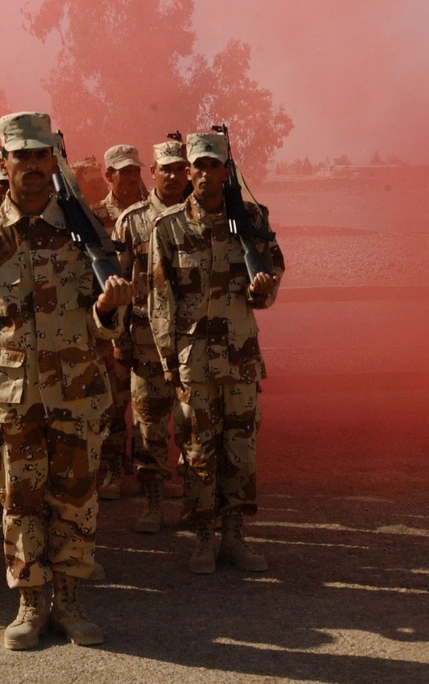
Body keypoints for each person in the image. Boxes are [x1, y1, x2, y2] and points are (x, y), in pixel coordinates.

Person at [0, 111, 133, 650]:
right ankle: (30, 603)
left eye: (40, 155)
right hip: (11, 395)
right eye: (21, 156)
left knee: (76, 500)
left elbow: (107, 324)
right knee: (19, 500)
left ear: (52, 161)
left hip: (77, 388)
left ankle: (70, 600)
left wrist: (109, 310)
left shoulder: (86, 231)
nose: (31, 165)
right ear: (3, 162)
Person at [147, 131, 283, 574]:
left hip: (240, 356)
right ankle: (204, 537)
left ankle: (234, 536)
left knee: (240, 449)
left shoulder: (252, 217)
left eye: (213, 165)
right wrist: (168, 361)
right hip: (194, 361)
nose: (205, 174)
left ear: (227, 171)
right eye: (198, 166)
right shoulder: (168, 227)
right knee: (198, 450)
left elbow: (272, 276)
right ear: (189, 171)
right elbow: (160, 300)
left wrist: (262, 291)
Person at [113, 139, 189, 532]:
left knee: (194, 425)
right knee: (148, 426)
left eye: (180, 169)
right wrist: (120, 340)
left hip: (191, 340)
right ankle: (153, 501)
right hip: (145, 341)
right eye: (166, 169)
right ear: (153, 173)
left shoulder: (200, 218)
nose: (173, 176)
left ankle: (195, 501)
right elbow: (117, 283)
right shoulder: (132, 221)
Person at [90, 145, 147, 500]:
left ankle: (147, 472)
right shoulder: (93, 217)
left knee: (148, 403)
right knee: (112, 403)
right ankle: (112, 470)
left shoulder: (151, 214)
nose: (130, 178)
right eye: (123, 172)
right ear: (108, 175)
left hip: (146, 322)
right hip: (110, 326)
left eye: (135, 171)